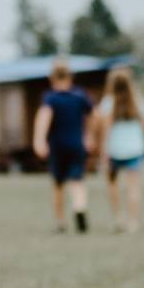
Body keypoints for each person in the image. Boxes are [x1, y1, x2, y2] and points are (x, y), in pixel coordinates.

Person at [90, 67, 144, 232]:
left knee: (112, 185)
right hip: (135, 150)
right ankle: (133, 222)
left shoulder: (108, 103)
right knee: (133, 187)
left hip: (113, 150)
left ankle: (117, 219)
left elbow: (105, 129)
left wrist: (103, 152)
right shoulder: (139, 101)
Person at [31, 60, 94, 233]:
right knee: (77, 181)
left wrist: (39, 141)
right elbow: (92, 116)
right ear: (70, 77)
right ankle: (79, 207)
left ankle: (60, 222)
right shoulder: (80, 96)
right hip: (76, 143)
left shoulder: (51, 98)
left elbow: (44, 118)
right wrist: (89, 136)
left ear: (52, 78)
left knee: (58, 184)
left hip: (57, 145)